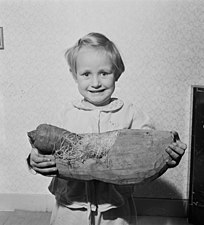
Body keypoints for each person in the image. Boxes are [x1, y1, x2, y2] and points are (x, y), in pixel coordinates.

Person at [27, 32, 187, 225]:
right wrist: (33, 159)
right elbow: (44, 146)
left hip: (115, 209)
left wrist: (168, 156)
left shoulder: (131, 113)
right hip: (71, 207)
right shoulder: (65, 115)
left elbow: (151, 149)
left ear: (117, 73)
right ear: (74, 75)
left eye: (104, 73)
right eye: (86, 74)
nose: (95, 83)